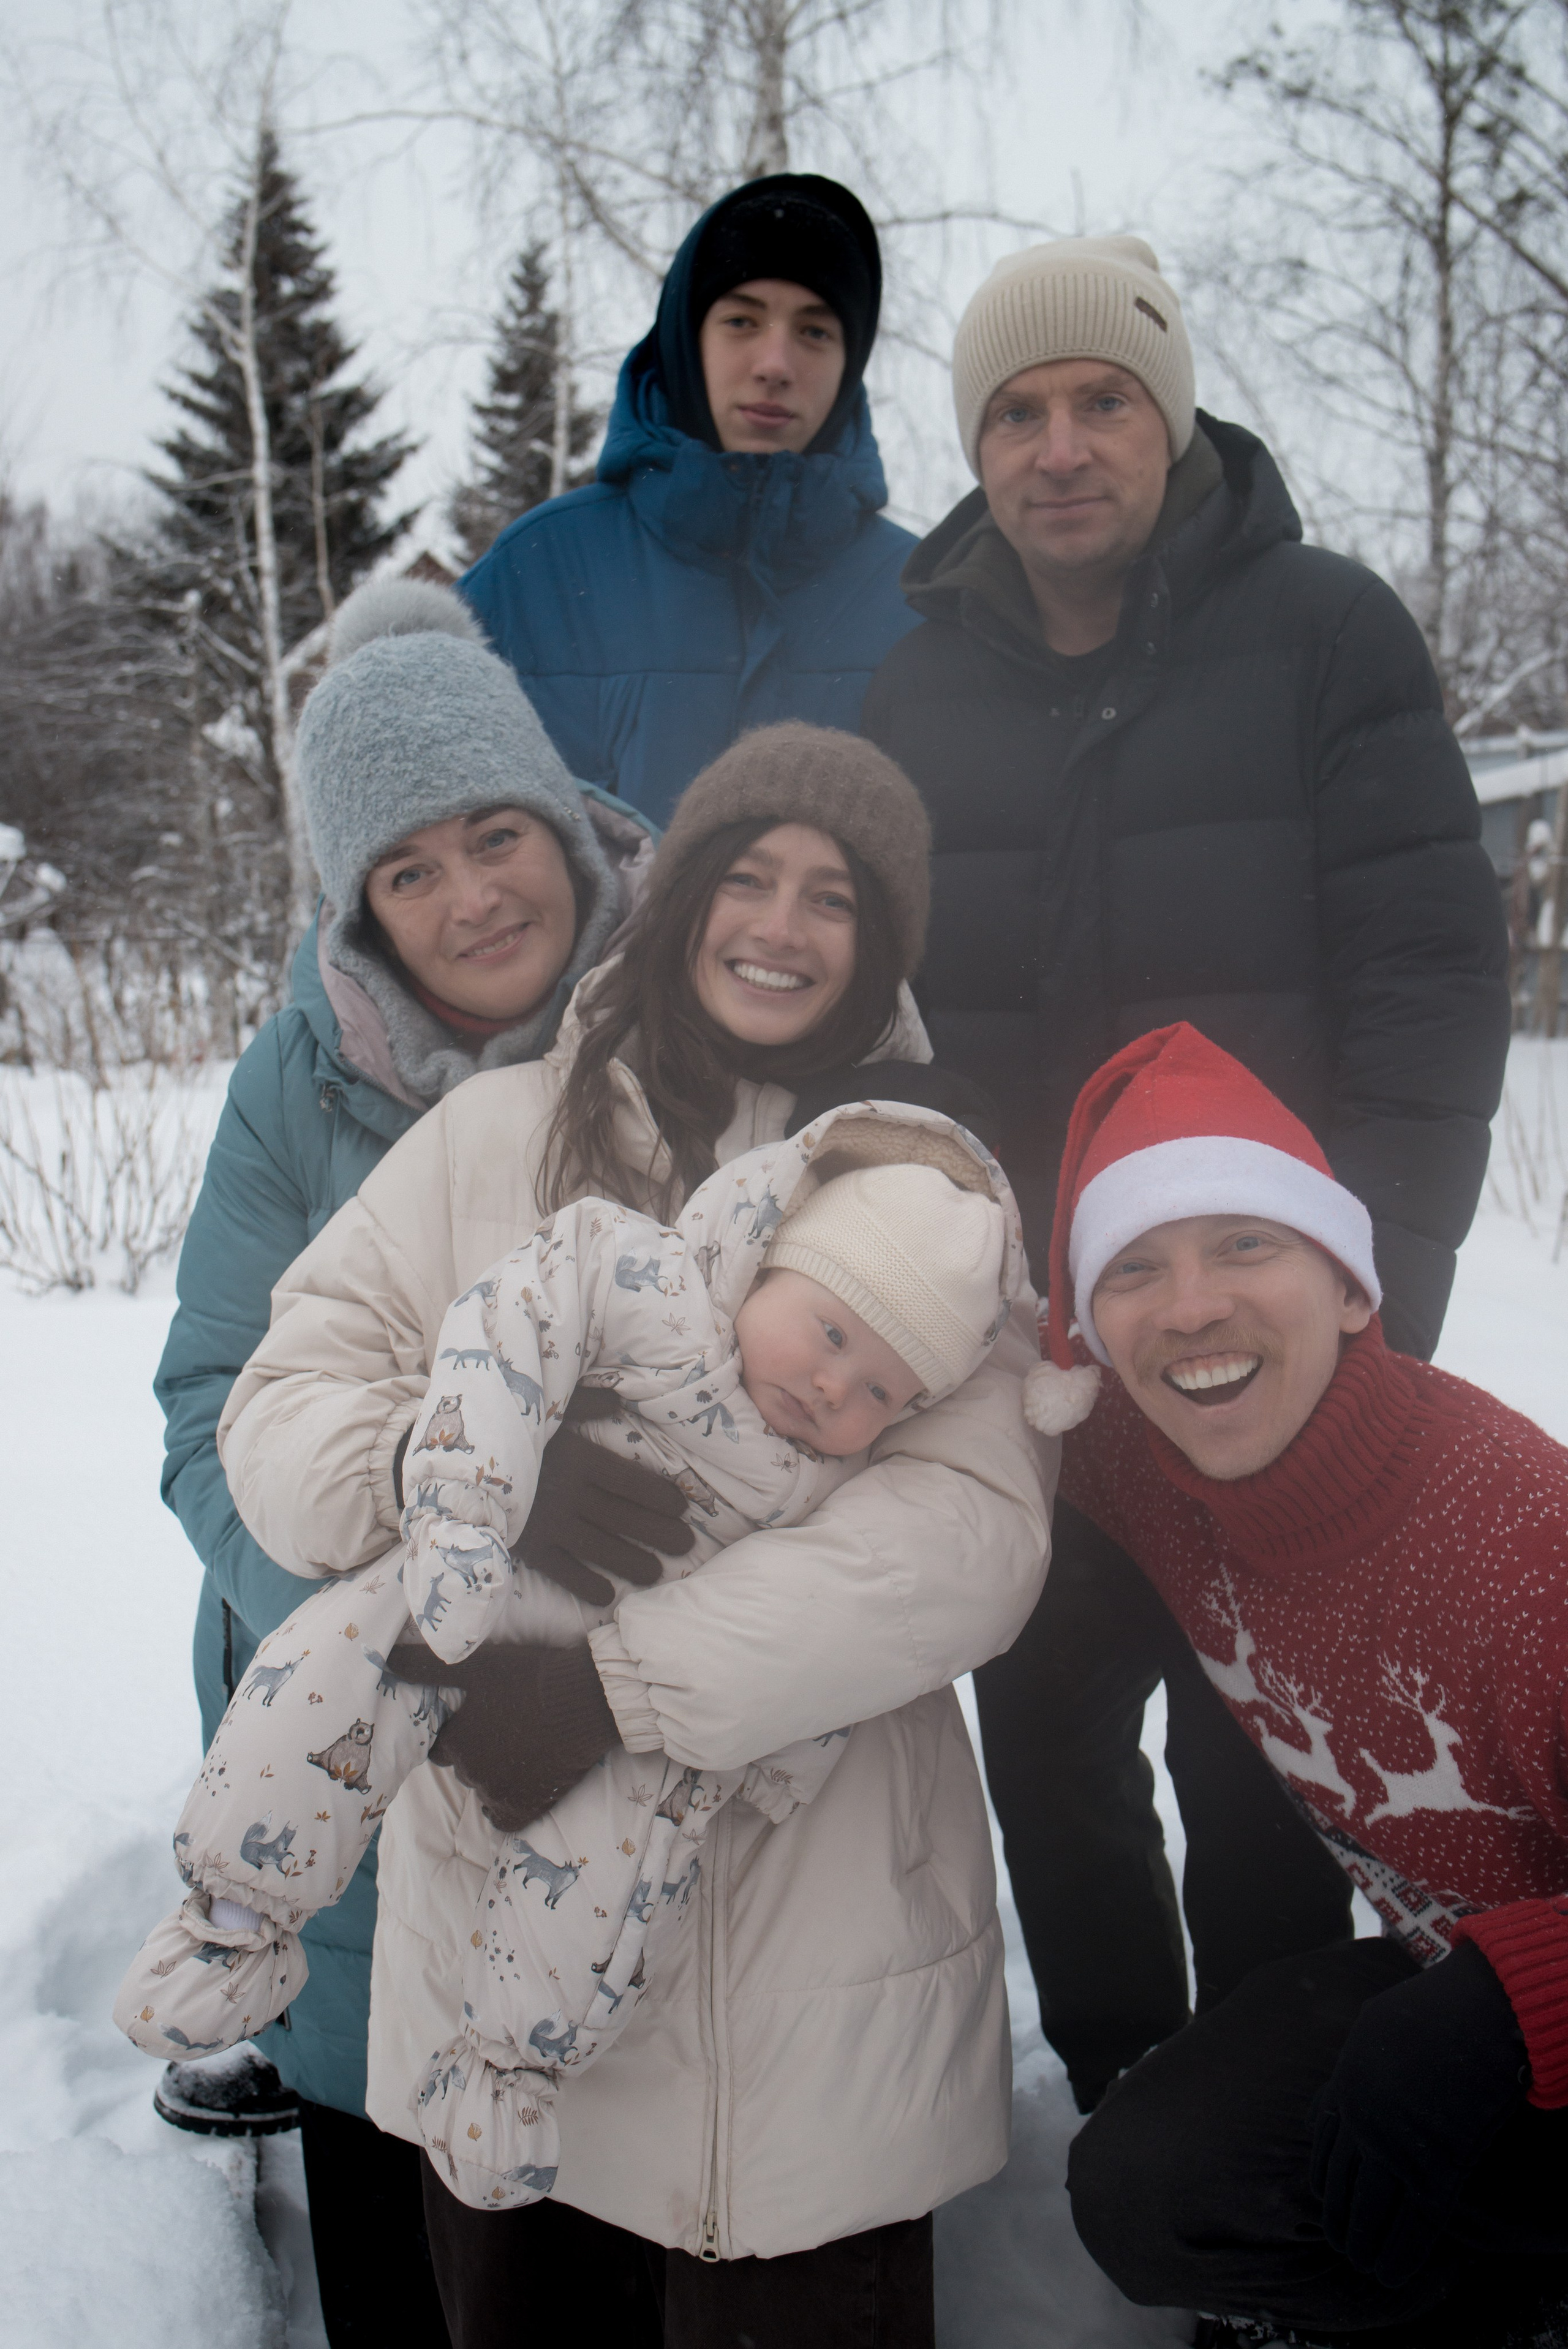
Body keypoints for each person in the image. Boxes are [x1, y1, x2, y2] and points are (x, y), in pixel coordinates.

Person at [211, 721, 1053, 2348]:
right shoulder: (488, 1139)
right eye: (746, 876)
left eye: (835, 898)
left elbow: (971, 1535)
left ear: (879, 948)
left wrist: (614, 1684)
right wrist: (442, 1463)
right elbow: (280, 1404)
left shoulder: (931, 1188)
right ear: (669, 901)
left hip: (804, 2049)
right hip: (509, 1995)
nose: (781, 926)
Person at [861, 232, 1514, 2110]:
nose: (1058, 446)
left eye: (1099, 402)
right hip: (1038, 1352)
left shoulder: (1321, 630)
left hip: (1269, 1341)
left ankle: (1268, 2125)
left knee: (1262, 1766)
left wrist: (1366, 1280)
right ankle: (1129, 2099)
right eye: (1014, 413)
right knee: (1050, 1741)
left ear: (1170, 416)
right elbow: (890, 1035)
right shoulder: (913, 699)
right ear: (975, 449)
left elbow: (1421, 975)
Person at [121, 1114, 1022, 2227]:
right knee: (334, 1670)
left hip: (637, 1712)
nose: (838, 1390)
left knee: (610, 1869)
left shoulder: (827, 1485)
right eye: (830, 1332)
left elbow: (862, 1615)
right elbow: (508, 1328)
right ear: (769, 1261)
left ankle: (507, 2072)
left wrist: (738, 1753)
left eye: (882, 1390)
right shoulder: (653, 1286)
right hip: (477, 1569)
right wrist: (462, 1493)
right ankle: (232, 1921)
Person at [151, 573, 660, 2342]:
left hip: (627, 1734)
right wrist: (409, 1622)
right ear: (354, 905)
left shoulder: (695, 1022)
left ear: (567, 827)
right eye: (406, 867)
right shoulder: (299, 1085)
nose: (469, 894)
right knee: (394, 2188)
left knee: (598, 2170)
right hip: (349, 1746)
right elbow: (210, 1405)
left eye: (494, 830)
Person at [1016, 1021, 1568, 2349]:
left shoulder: (1516, 1538)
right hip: (1458, 2001)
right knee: (1157, 2184)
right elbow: (907, 1342)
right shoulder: (1155, 1458)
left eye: (1244, 1244)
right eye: (1134, 1270)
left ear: (1353, 1289)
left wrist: (1507, 2003)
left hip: (1516, 2004)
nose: (1191, 1305)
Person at [459, 175, 920, 826]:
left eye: (815, 332)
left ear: (852, 362)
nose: (775, 362)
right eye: (740, 321)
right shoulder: (534, 577)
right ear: (685, 338)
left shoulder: (918, 599)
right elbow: (398, 861)